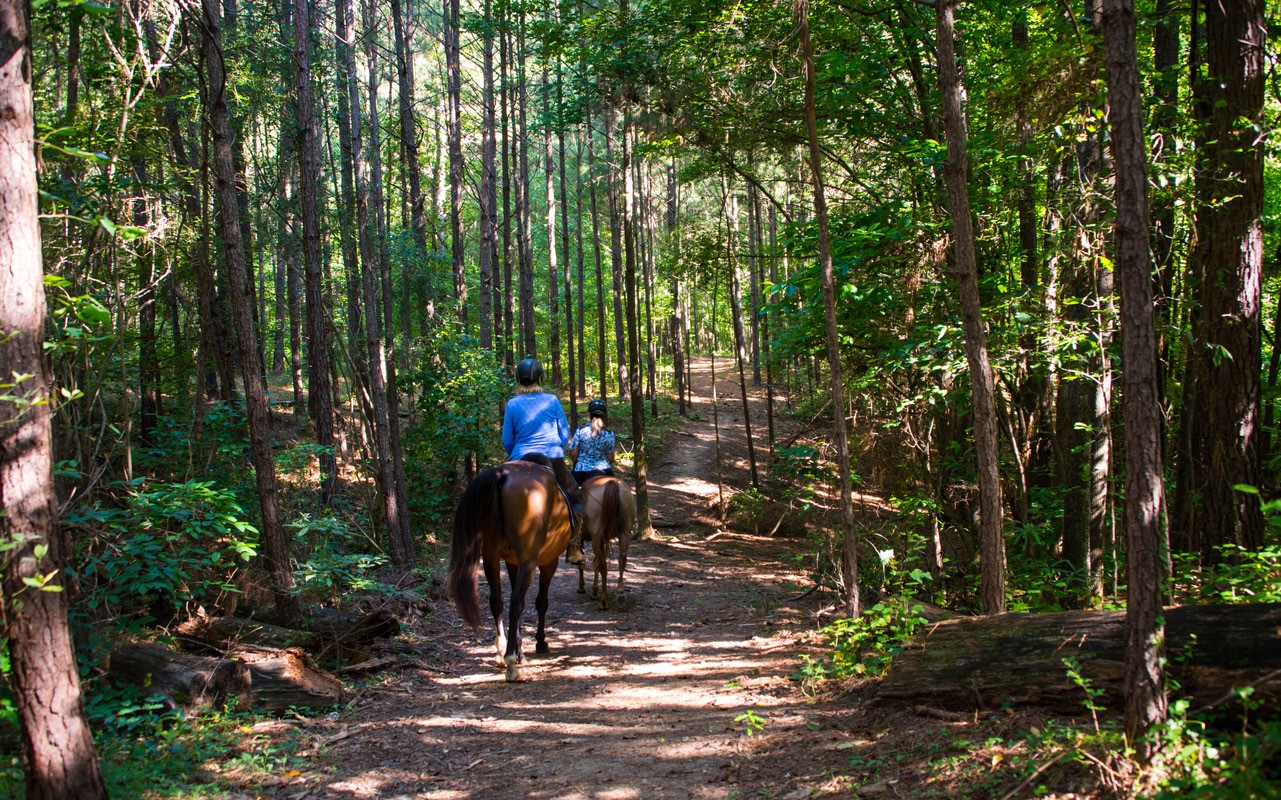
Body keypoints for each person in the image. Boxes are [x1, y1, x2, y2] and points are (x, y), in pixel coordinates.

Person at [502, 356, 587, 564]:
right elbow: (564, 430)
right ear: (540, 378)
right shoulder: (552, 400)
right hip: (551, 458)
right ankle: (574, 548)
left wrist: (516, 456)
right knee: (576, 498)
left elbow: (507, 439)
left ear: (518, 380)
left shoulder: (512, 404)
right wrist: (559, 448)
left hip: (520, 459)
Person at [567, 398, 616, 485]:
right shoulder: (609, 434)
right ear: (604, 414)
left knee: (570, 494)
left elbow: (573, 454)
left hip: (581, 470)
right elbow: (611, 458)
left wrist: (576, 463)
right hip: (604, 469)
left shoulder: (580, 431)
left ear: (590, 414)